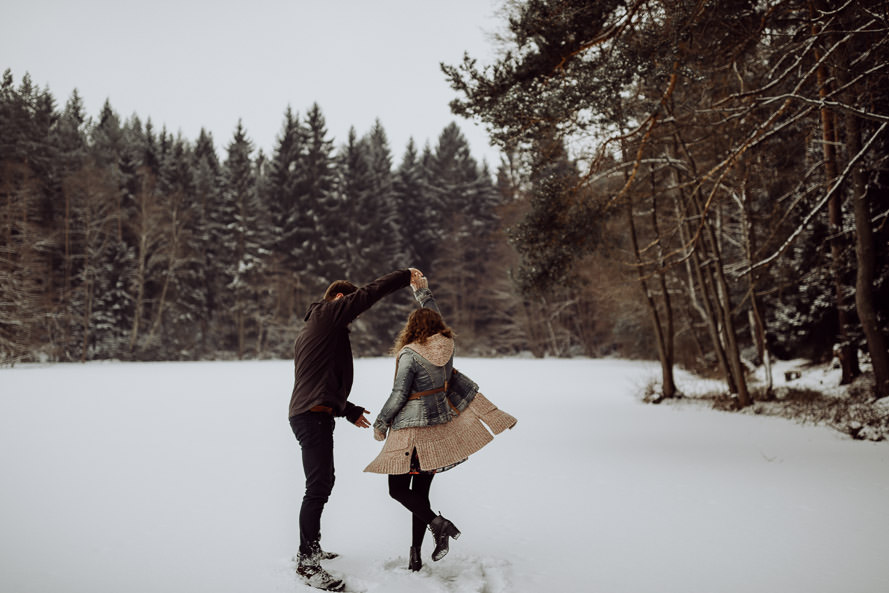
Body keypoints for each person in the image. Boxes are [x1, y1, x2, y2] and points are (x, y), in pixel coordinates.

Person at [364, 274, 517, 572]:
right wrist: (423, 293)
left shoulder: (410, 354)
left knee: (397, 490)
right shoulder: (446, 345)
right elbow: (435, 314)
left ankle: (439, 524)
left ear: (412, 329)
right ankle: (415, 555)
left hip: (410, 433)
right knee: (419, 494)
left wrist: (381, 424)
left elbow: (398, 395)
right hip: (437, 432)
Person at [289, 268, 421, 592]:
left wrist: (348, 411)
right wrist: (405, 276)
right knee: (317, 487)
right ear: (338, 299)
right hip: (310, 416)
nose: (353, 315)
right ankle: (307, 561)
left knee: (324, 481)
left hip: (316, 414)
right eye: (349, 305)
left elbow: (318, 382)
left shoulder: (322, 330)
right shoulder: (326, 315)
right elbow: (368, 294)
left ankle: (312, 547)